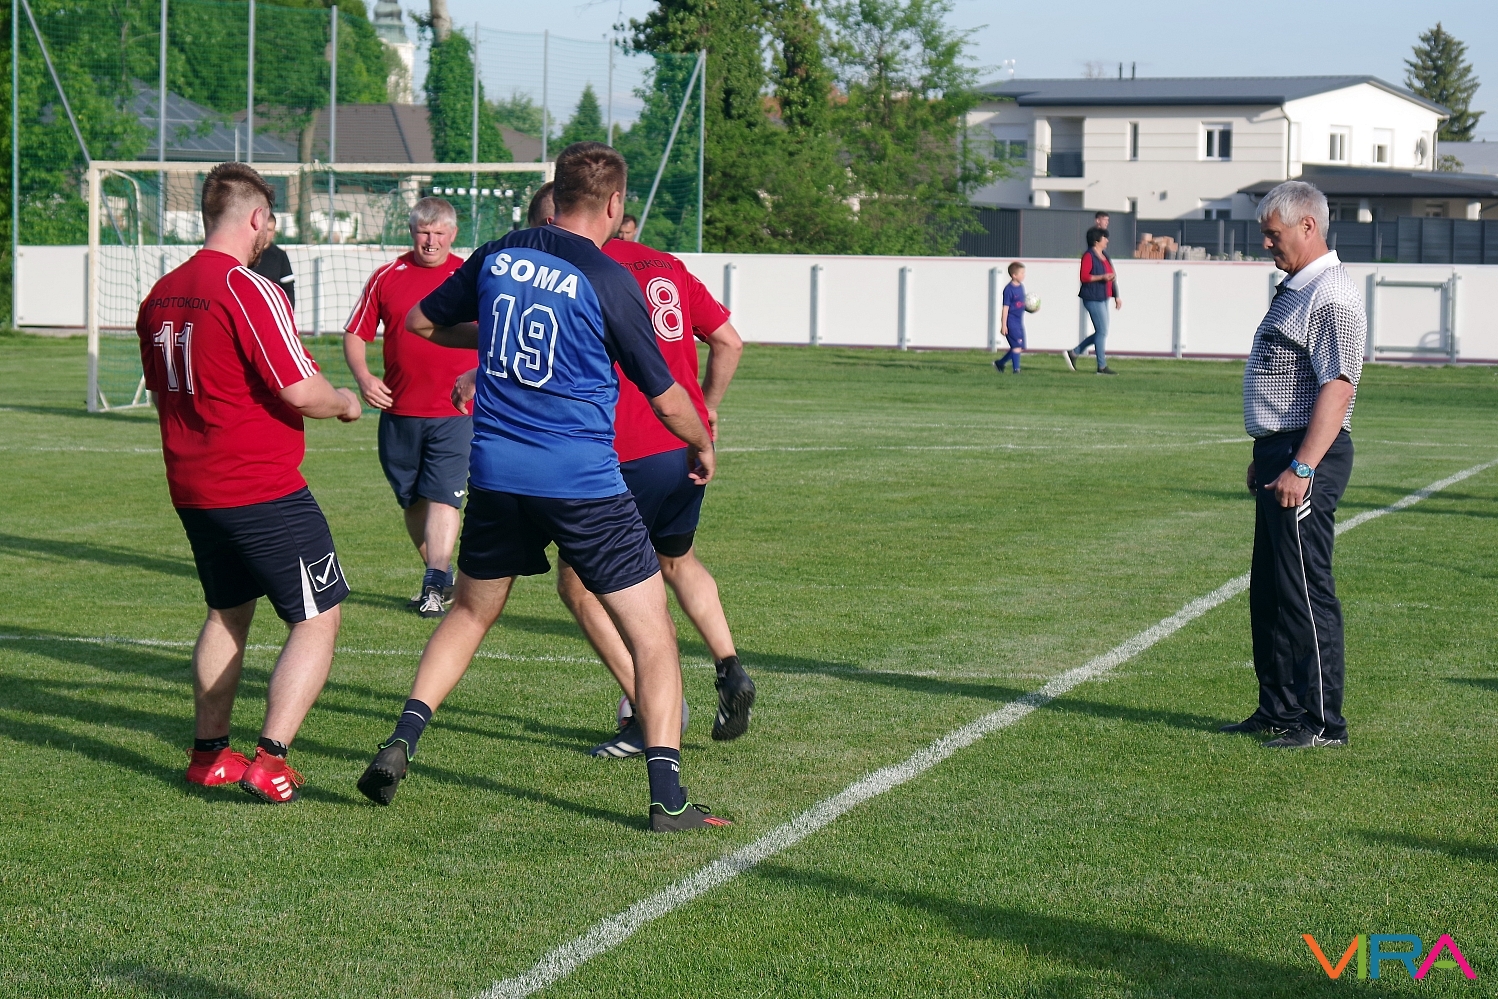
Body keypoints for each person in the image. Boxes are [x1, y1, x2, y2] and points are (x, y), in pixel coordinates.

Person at [357, 142, 730, 832]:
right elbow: (666, 396)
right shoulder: (607, 276)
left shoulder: (499, 252)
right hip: (581, 481)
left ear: (555, 194)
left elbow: (421, 322)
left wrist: (492, 339)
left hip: (497, 474)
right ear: (616, 204)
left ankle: (401, 740)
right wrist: (702, 440)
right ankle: (668, 798)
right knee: (653, 633)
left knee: (469, 614)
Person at [456, 223, 753, 757]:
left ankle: (646, 712)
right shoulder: (668, 265)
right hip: (681, 445)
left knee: (580, 588)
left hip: (625, 446)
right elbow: (729, 340)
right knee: (678, 561)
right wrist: (706, 409)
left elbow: (544, 341)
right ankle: (729, 666)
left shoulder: (584, 269)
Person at [136, 161, 362, 803]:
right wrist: (345, 402)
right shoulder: (247, 287)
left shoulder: (162, 293)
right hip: (260, 487)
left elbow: (166, 386)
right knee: (318, 617)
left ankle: (210, 755)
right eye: (271, 221)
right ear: (257, 217)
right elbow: (301, 389)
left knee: (228, 611)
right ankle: (271, 760)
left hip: (193, 486)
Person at [1222, 181, 1361, 750]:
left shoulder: (1330, 294)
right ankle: (1277, 709)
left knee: (1305, 589)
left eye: (1272, 233)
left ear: (1308, 226)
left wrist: (1301, 466)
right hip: (1280, 451)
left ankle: (1323, 722)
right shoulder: (1298, 288)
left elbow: (1337, 387)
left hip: (1307, 454)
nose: (1265, 244)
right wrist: (1266, 452)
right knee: (1272, 591)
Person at [343, 198, 470, 618]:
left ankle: (433, 585)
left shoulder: (470, 275)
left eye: (439, 233)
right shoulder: (387, 276)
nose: (431, 241)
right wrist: (364, 377)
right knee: (412, 501)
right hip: (399, 412)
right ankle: (442, 576)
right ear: (411, 232)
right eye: (423, 232)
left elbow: (496, 328)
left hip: (456, 413)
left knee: (443, 498)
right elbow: (356, 333)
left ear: (453, 235)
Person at [1063, 227, 1121, 375]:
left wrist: (1116, 295)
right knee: (1102, 331)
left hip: (1104, 296)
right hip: (1093, 297)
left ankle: (1074, 352)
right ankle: (1101, 366)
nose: (1107, 240)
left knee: (1102, 331)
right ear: (1096, 241)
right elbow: (1084, 277)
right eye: (1104, 238)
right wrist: (1102, 277)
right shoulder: (1089, 256)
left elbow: (1111, 276)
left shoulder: (1104, 255)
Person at [250, 213, 295, 305]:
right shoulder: (246, 252)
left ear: (274, 233)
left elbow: (288, 290)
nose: (265, 233)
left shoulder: (280, 256)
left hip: (268, 309)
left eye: (269, 230)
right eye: (263, 229)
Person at [994, 261, 1027, 374]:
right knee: (1017, 346)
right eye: (1021, 273)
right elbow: (1005, 308)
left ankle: (1000, 363)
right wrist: (1003, 325)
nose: (1024, 275)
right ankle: (1016, 370)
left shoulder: (1021, 287)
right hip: (1011, 321)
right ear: (1014, 275)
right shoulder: (1009, 289)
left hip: (1019, 322)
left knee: (1018, 347)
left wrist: (1030, 308)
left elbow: (1020, 304)